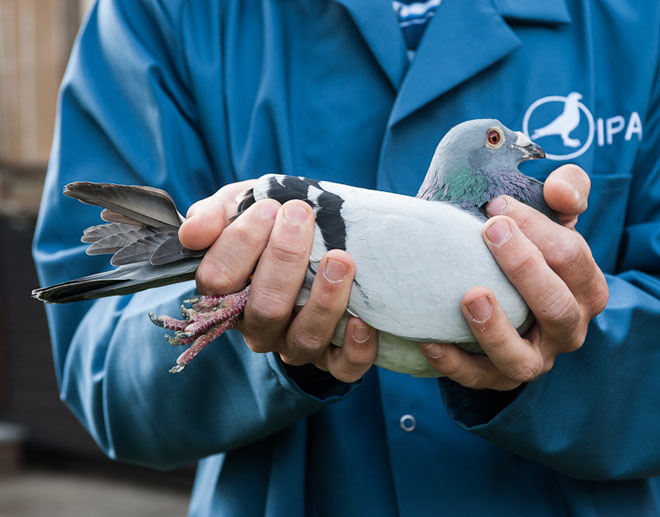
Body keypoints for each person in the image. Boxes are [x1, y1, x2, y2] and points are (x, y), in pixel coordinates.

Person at [32, 0, 660, 514]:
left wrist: (571, 348)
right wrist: (253, 317)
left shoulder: (642, 21)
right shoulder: (162, 13)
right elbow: (104, 371)